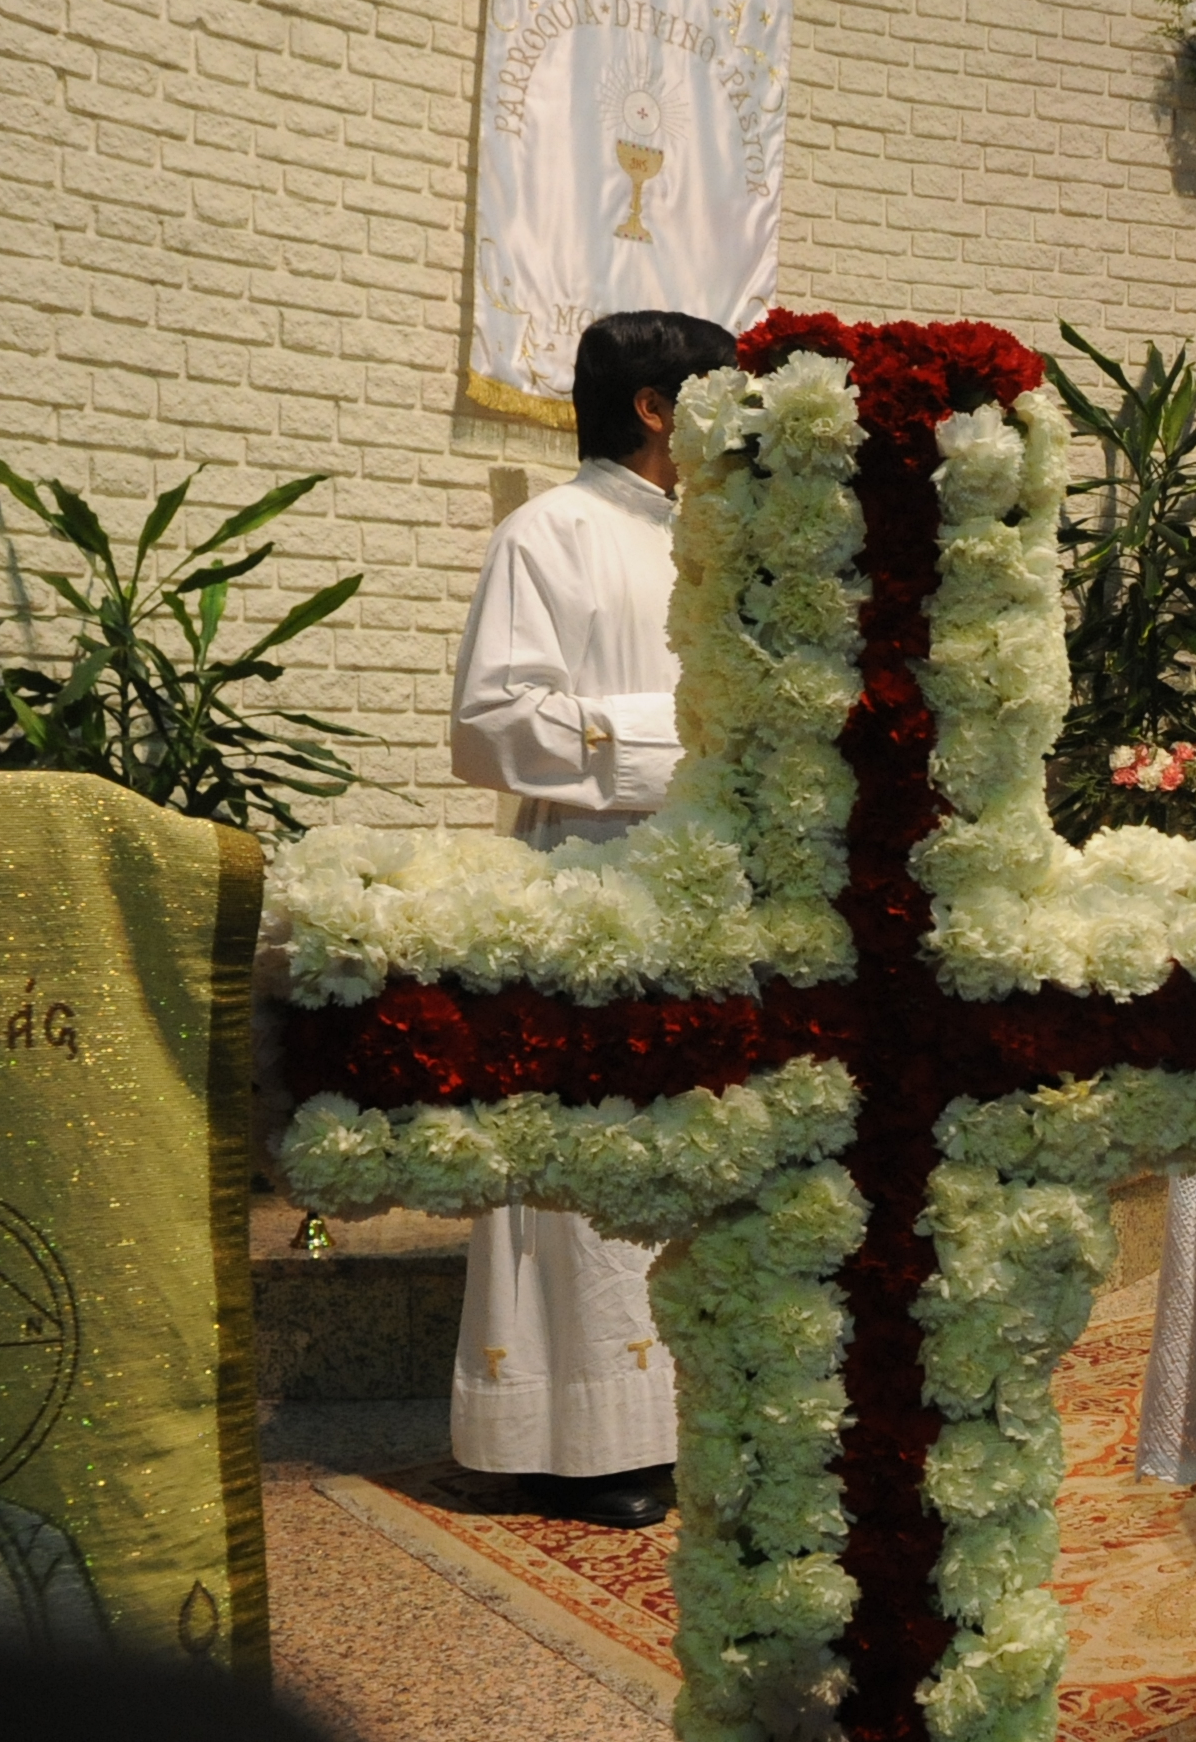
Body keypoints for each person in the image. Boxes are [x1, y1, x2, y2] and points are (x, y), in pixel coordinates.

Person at [445, 308, 737, 1528]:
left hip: (707, 889)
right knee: (592, 1156)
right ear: (657, 407)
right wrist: (692, 741)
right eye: (720, 395)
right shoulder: (549, 532)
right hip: (593, 878)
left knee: (693, 1152)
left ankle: (686, 1419)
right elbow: (492, 724)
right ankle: (578, 1440)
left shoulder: (723, 543)